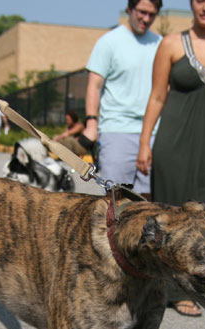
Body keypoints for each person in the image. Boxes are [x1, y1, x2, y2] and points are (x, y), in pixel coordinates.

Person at [137, 0, 205, 317]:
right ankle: (172, 291)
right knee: (172, 221)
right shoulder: (171, 44)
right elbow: (157, 96)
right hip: (173, 145)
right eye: (200, 0)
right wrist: (144, 143)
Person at [84, 0, 163, 198]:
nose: (146, 19)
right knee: (116, 198)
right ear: (129, 9)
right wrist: (91, 123)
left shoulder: (160, 44)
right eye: (142, 12)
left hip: (153, 132)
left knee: (149, 202)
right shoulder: (109, 42)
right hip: (117, 130)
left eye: (152, 14)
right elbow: (94, 85)